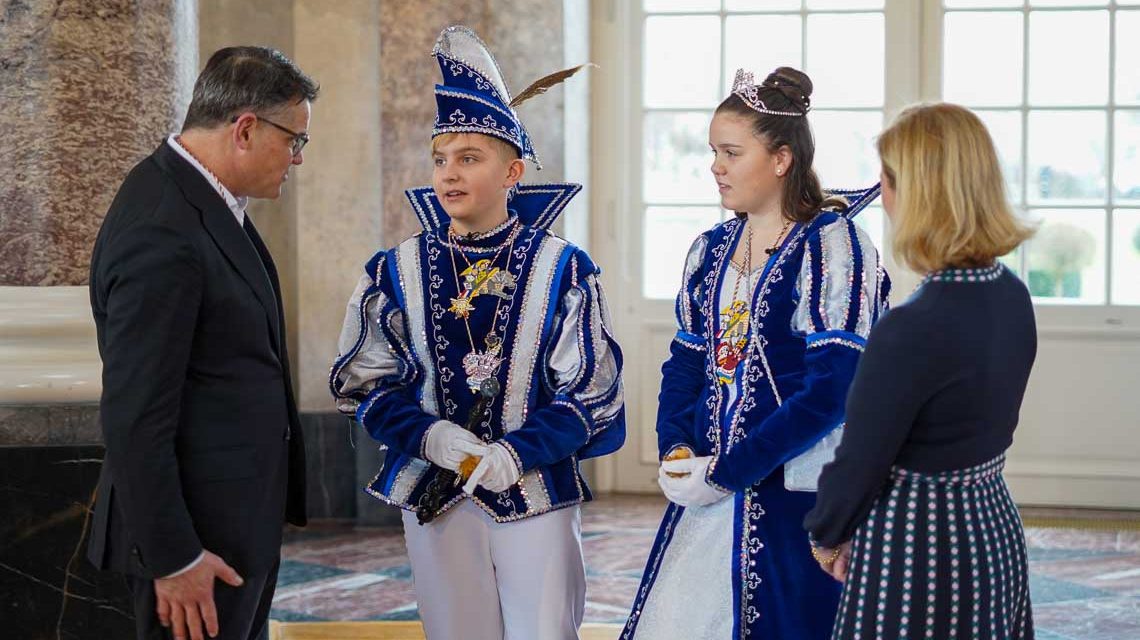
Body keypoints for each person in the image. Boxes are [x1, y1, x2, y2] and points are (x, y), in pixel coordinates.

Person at [330, 26, 623, 640]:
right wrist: (432, 437)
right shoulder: (396, 269)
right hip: (433, 489)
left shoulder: (563, 267)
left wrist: (516, 452)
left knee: (543, 632)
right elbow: (364, 381)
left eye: (470, 158)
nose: (450, 173)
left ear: (513, 170)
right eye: (440, 159)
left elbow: (591, 392)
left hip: (534, 490)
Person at [622, 67, 889, 639]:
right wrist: (676, 448)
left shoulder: (833, 246)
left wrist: (732, 470)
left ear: (782, 159)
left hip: (796, 498)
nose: (716, 166)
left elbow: (833, 389)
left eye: (731, 152)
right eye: (714, 152)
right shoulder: (711, 249)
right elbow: (688, 361)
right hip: (707, 491)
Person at [86, 47, 317, 640]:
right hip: (194, 545)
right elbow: (135, 416)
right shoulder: (163, 229)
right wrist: (175, 557)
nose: (296, 158)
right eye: (295, 140)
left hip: (230, 530)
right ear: (245, 128)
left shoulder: (203, 200)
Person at [804, 103, 1037, 640]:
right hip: (990, 523)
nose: (880, 196)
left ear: (919, 193)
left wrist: (827, 533)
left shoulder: (913, 326)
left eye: (885, 179)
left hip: (917, 542)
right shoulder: (1011, 294)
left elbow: (862, 458)